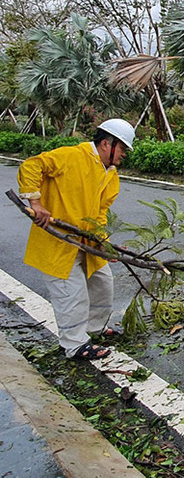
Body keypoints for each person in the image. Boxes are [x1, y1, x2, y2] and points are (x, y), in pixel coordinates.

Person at [17, 119, 135, 359]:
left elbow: (99, 214)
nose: (124, 154)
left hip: (87, 242)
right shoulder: (71, 156)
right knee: (72, 295)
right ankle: (75, 345)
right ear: (106, 144)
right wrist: (36, 203)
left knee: (103, 284)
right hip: (59, 242)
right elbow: (31, 166)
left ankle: (95, 328)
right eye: (123, 148)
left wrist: (103, 243)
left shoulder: (110, 175)